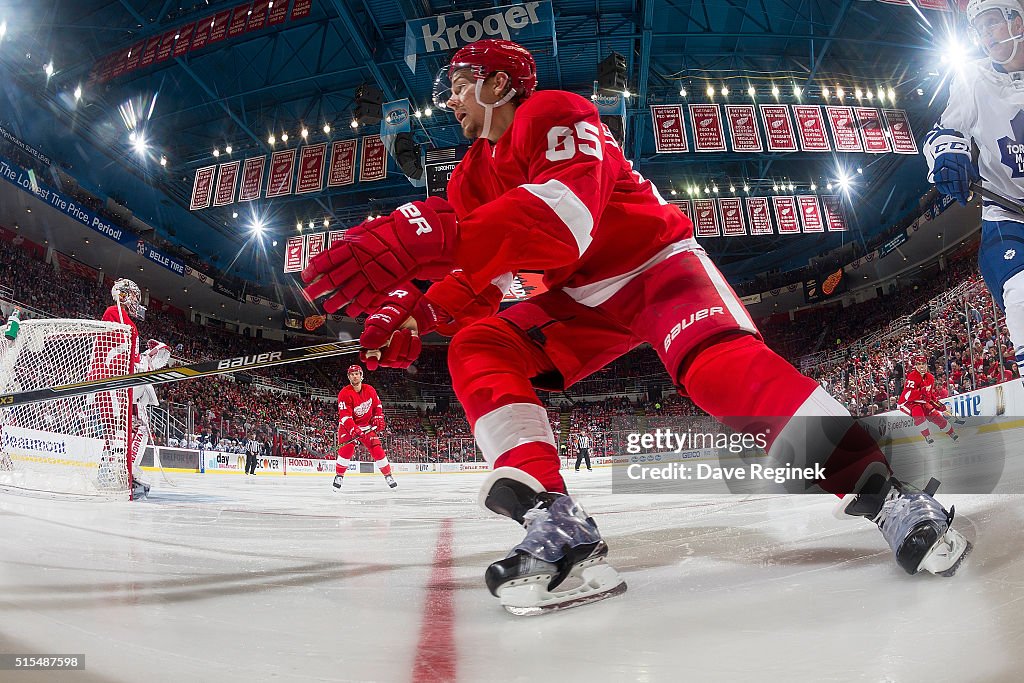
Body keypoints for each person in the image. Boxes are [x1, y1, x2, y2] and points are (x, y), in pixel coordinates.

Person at [303, 39, 971, 614]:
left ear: (497, 82)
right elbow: (495, 277)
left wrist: (427, 238)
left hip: (655, 268)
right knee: (480, 343)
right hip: (577, 302)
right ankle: (554, 517)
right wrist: (421, 311)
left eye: (456, 86)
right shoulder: (470, 178)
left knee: (718, 373)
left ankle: (888, 494)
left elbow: (564, 223)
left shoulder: (555, 112)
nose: (448, 102)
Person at [924, 0, 1024, 384]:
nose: (985, 36)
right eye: (979, 30)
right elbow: (943, 131)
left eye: (991, 24)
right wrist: (949, 154)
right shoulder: (972, 78)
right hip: (1007, 216)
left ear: (1017, 20)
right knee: (1019, 295)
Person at [96, 278, 169, 500]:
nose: (137, 300)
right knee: (127, 428)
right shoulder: (114, 312)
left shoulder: (128, 321)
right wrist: (145, 363)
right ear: (123, 295)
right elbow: (119, 354)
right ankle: (120, 473)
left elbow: (130, 358)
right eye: (133, 295)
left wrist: (149, 356)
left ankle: (112, 473)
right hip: (112, 382)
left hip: (121, 383)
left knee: (126, 428)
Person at [333, 364, 396, 490]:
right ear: (349, 377)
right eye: (352, 374)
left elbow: (377, 405)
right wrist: (353, 430)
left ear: (361, 376)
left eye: (357, 374)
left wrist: (378, 416)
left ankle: (388, 475)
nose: (355, 376)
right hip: (348, 427)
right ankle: (339, 475)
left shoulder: (370, 389)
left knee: (377, 449)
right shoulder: (344, 393)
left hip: (366, 427)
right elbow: (345, 416)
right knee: (347, 450)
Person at [899, 354, 965, 444]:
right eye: (919, 364)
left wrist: (941, 407)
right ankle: (927, 436)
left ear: (926, 364)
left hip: (922, 402)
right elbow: (908, 395)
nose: (921, 366)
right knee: (918, 414)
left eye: (923, 363)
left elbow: (930, 396)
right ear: (916, 366)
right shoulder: (912, 377)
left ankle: (952, 433)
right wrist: (922, 394)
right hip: (908, 403)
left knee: (936, 416)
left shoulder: (930, 377)